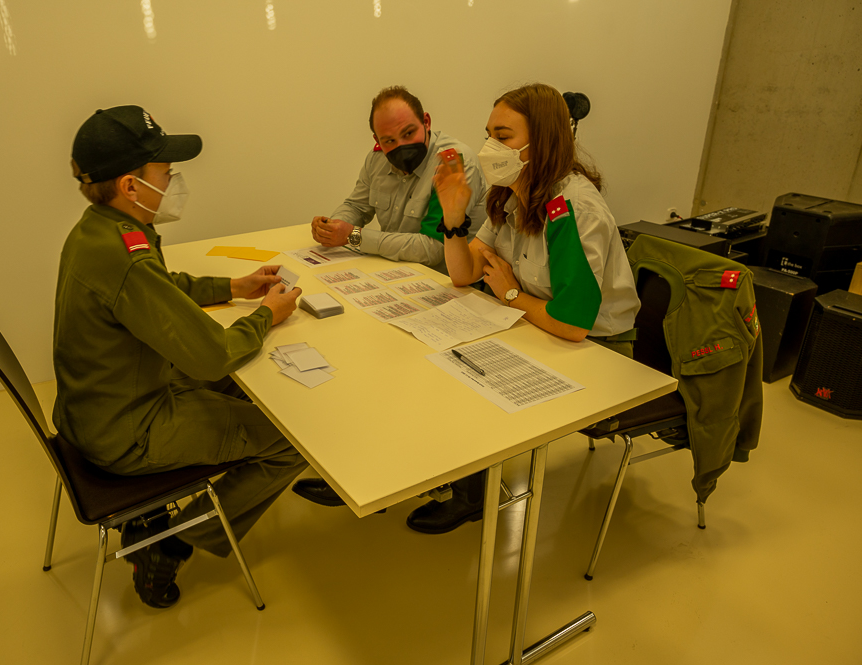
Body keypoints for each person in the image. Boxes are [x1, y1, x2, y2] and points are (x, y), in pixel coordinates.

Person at [54, 105, 309, 608]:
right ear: (130, 186)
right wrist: (267, 315)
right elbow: (212, 356)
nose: (173, 180)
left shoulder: (99, 230)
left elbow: (160, 287)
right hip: (128, 431)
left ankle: (160, 515)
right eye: (165, 171)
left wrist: (233, 286)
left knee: (245, 388)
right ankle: (170, 543)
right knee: (295, 441)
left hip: (99, 408)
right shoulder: (123, 253)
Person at [403, 83, 642, 534]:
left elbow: (573, 326)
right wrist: (453, 218)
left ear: (543, 141)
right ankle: (445, 477)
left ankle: (471, 495)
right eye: (489, 134)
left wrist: (512, 295)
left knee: (473, 378)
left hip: (599, 351)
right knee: (445, 360)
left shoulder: (572, 208)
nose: (489, 147)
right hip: (540, 328)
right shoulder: (514, 194)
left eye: (503, 136)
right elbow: (465, 272)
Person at [309, 86, 488, 275]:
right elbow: (357, 207)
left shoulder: (453, 165)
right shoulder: (377, 158)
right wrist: (332, 227)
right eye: (389, 141)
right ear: (377, 140)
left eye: (408, 133)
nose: (401, 146)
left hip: (444, 281)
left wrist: (354, 236)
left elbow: (433, 248)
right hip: (392, 273)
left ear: (426, 122)